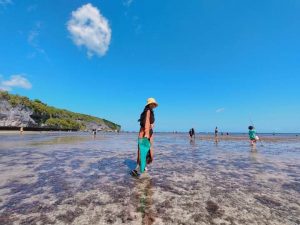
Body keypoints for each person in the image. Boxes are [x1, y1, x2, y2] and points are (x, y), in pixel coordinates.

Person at [131, 98, 158, 176]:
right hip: (145, 134)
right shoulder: (148, 111)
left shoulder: (148, 111)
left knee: (146, 151)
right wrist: (146, 134)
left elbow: (148, 122)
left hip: (146, 133)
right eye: (152, 104)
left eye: (154, 104)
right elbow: (146, 122)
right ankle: (137, 169)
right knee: (143, 151)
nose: (153, 105)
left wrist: (151, 125)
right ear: (149, 104)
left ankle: (143, 167)